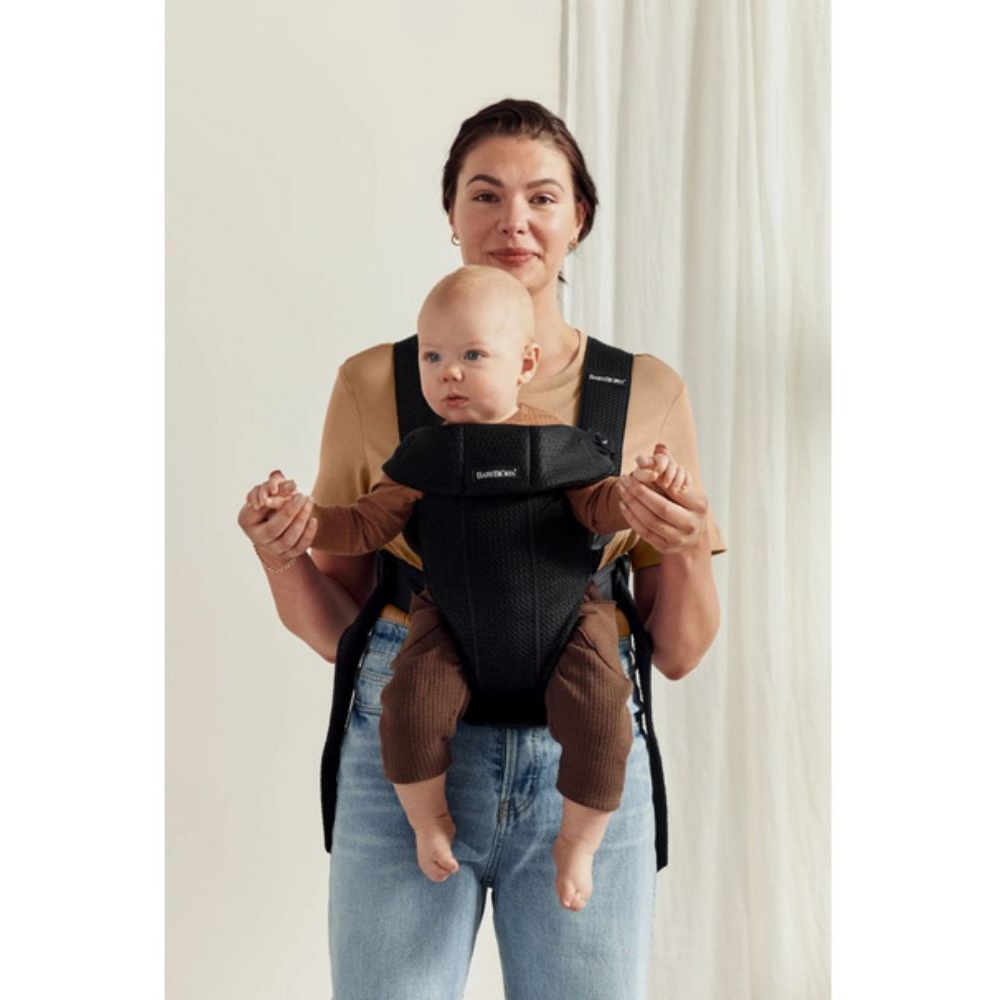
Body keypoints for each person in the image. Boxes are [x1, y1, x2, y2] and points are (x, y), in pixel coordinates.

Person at [238, 99, 725, 1000]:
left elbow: (684, 650)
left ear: (579, 216)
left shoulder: (642, 392)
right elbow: (338, 623)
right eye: (485, 194)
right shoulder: (379, 384)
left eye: (543, 197)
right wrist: (282, 552)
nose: (514, 221)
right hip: (409, 739)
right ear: (451, 213)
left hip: (586, 744)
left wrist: (685, 542)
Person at [256, 264, 694, 912]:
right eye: (432, 356)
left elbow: (599, 507)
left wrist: (638, 495)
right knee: (408, 707)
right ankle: (429, 818)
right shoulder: (421, 455)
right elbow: (365, 524)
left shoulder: (560, 443)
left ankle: (578, 839)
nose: (448, 371)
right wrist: (302, 521)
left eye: (471, 355)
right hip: (447, 619)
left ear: (524, 363)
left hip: (569, 621)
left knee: (605, 717)